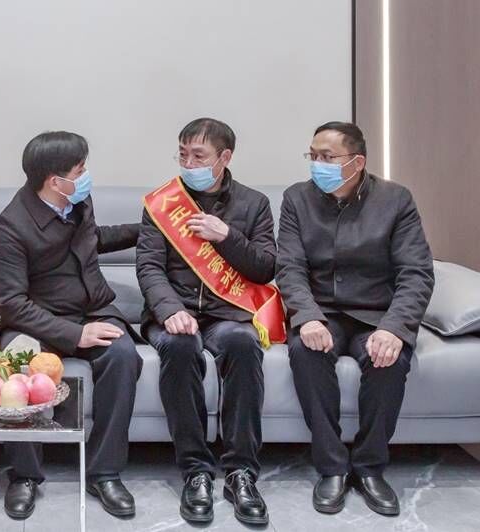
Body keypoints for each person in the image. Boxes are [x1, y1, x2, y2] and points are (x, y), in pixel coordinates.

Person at [276, 121, 434, 516]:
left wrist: (394, 328)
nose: (317, 164)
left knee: (389, 360)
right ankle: (332, 466)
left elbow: (416, 272)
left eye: (327, 157)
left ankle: (369, 467)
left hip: (375, 314)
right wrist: (306, 317)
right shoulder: (297, 198)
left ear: (357, 162)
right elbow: (290, 267)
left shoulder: (396, 200)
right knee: (305, 352)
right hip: (322, 313)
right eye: (313, 155)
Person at [0, 131, 142, 519]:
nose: (86, 176)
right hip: (37, 321)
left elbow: (92, 240)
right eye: (80, 170)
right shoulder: (11, 225)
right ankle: (24, 475)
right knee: (17, 362)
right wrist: (76, 335)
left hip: (92, 308)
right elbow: (12, 303)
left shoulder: (77, 200)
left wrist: (146, 228)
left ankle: (104, 472)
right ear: (54, 181)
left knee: (123, 355)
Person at [136, 118, 280, 525]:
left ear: (224, 157)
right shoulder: (163, 202)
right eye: (183, 154)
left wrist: (227, 236)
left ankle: (240, 472)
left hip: (226, 314)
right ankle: (196, 470)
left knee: (243, 344)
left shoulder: (254, 204)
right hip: (173, 312)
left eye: (198, 156)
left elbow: (265, 268)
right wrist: (169, 310)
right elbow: (148, 267)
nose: (188, 164)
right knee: (180, 347)